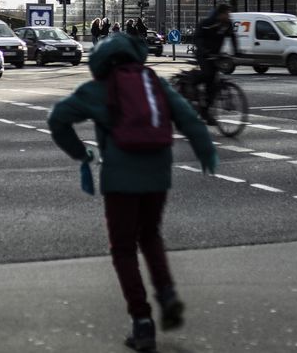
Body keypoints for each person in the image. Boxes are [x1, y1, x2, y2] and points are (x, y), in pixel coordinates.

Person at [47, 34, 217, 352]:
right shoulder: (154, 82)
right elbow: (188, 118)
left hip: (120, 181)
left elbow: (57, 120)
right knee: (150, 234)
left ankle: (142, 321)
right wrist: (206, 152)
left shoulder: (97, 89)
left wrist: (80, 152)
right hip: (158, 176)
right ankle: (166, 294)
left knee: (123, 249)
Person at [194, 4, 241, 123]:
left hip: (216, 54)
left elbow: (232, 37)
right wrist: (204, 50)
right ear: (220, 14)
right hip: (203, 53)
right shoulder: (208, 22)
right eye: (226, 13)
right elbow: (198, 37)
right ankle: (191, 84)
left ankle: (205, 111)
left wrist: (237, 51)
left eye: (229, 13)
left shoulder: (227, 24)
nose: (228, 15)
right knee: (207, 75)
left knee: (213, 85)